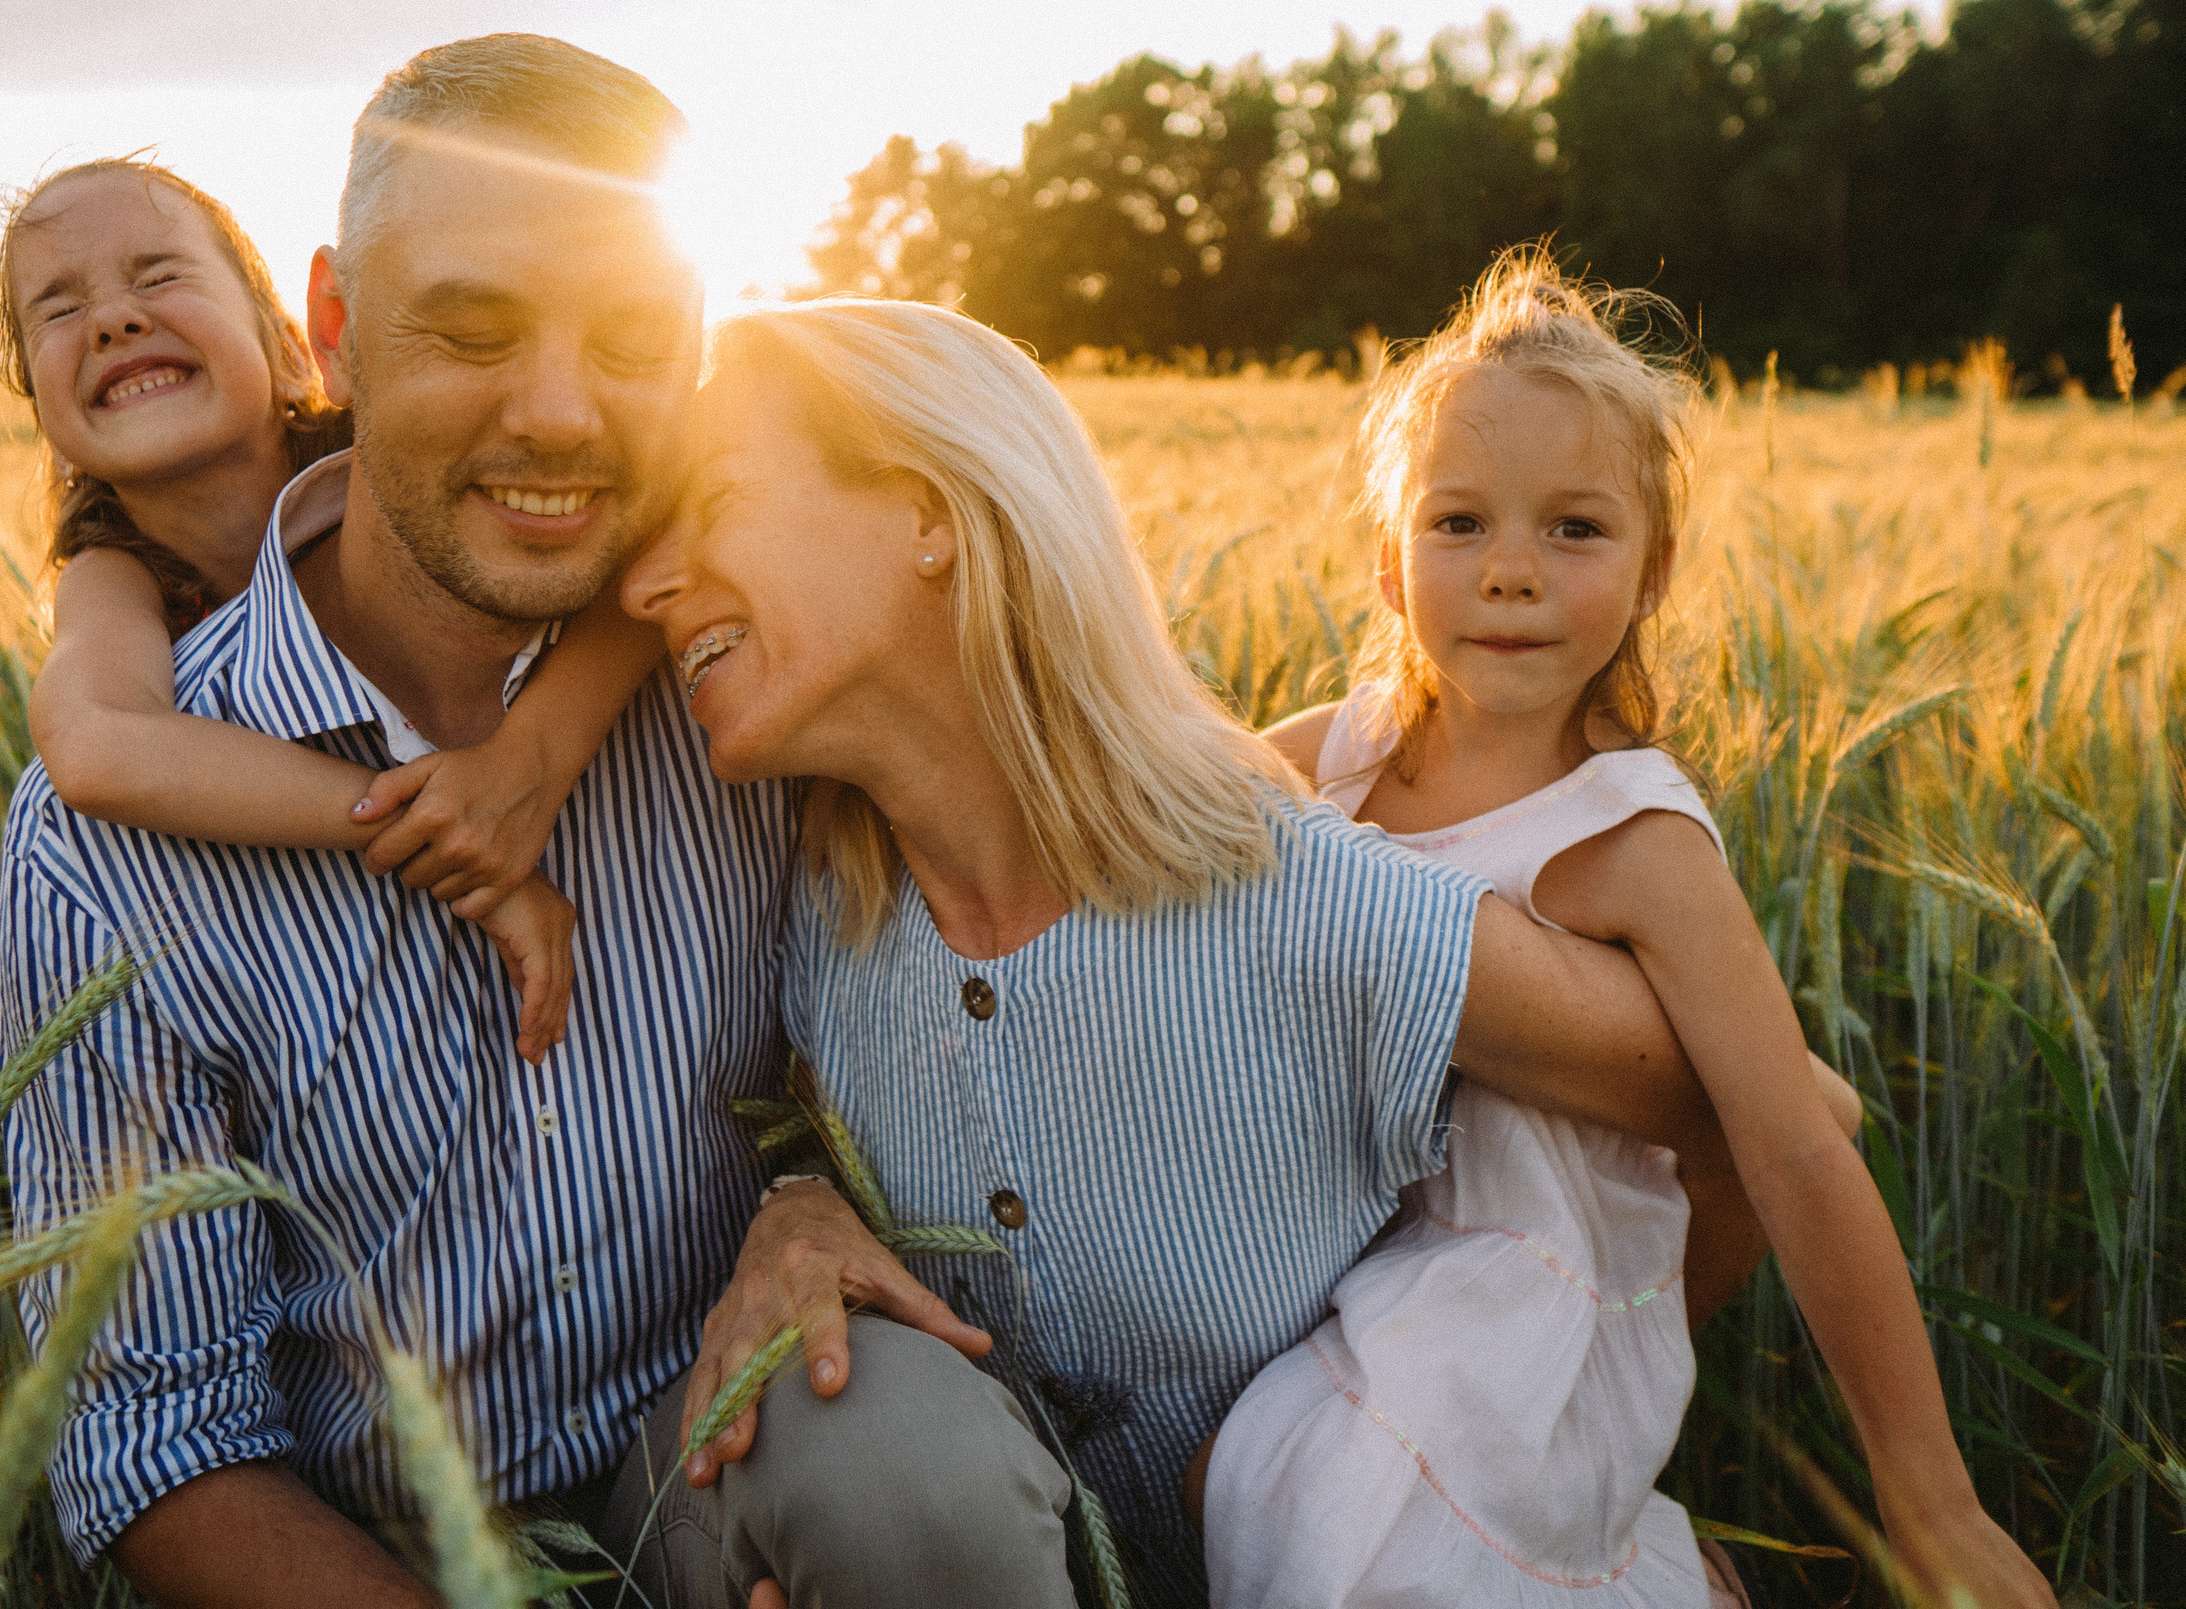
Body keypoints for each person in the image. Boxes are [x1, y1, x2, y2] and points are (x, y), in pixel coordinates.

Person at [615, 297, 1745, 1609]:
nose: (646, 586)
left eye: (719, 501)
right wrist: (794, 1205)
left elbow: (1746, 1121)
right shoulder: (792, 897)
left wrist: (1551, 1463)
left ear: (930, 510)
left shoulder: (1297, 892)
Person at [0, 39, 829, 1608]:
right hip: (396, 1556)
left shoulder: (745, 649)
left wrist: (817, 1193)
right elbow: (150, 1425)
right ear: (338, 327)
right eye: (471, 327)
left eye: (636, 337)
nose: (564, 412)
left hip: (749, 1439)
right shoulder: (112, 736)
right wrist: (435, 817)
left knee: (922, 1485)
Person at [1197, 251, 2052, 1609]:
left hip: (1511, 1327)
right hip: (1328, 1263)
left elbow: (1798, 1148)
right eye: (1460, 522)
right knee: (1240, 1483)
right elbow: (1142, 837)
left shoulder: (1635, 839)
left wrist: (1928, 1496)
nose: (1512, 573)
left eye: (1575, 530)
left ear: (1654, 569)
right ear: (1385, 555)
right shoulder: (1333, 758)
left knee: (1335, 1521)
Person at [0, 155, 661, 1057]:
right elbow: (93, 747)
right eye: (60, 308)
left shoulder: (410, 468)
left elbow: (667, 539)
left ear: (293, 341)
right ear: (42, 410)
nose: (114, 317)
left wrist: (533, 757)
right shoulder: (114, 572)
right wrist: (439, 831)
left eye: (159, 276)